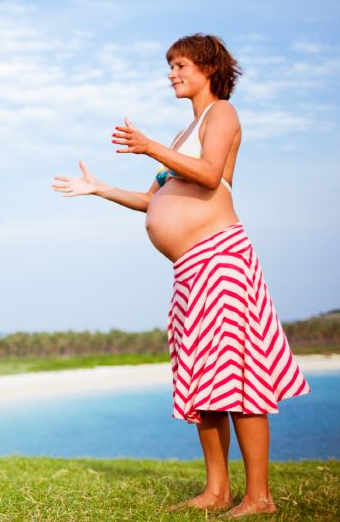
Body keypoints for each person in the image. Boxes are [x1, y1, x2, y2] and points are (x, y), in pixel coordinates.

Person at [52, 34, 309, 517]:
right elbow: (153, 201)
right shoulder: (179, 138)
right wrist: (99, 189)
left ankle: (260, 497)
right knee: (206, 378)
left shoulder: (222, 114)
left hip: (220, 259)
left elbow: (210, 175)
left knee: (241, 378)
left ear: (208, 68)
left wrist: (149, 147)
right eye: (170, 65)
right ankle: (217, 491)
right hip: (190, 269)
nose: (172, 73)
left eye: (180, 64)